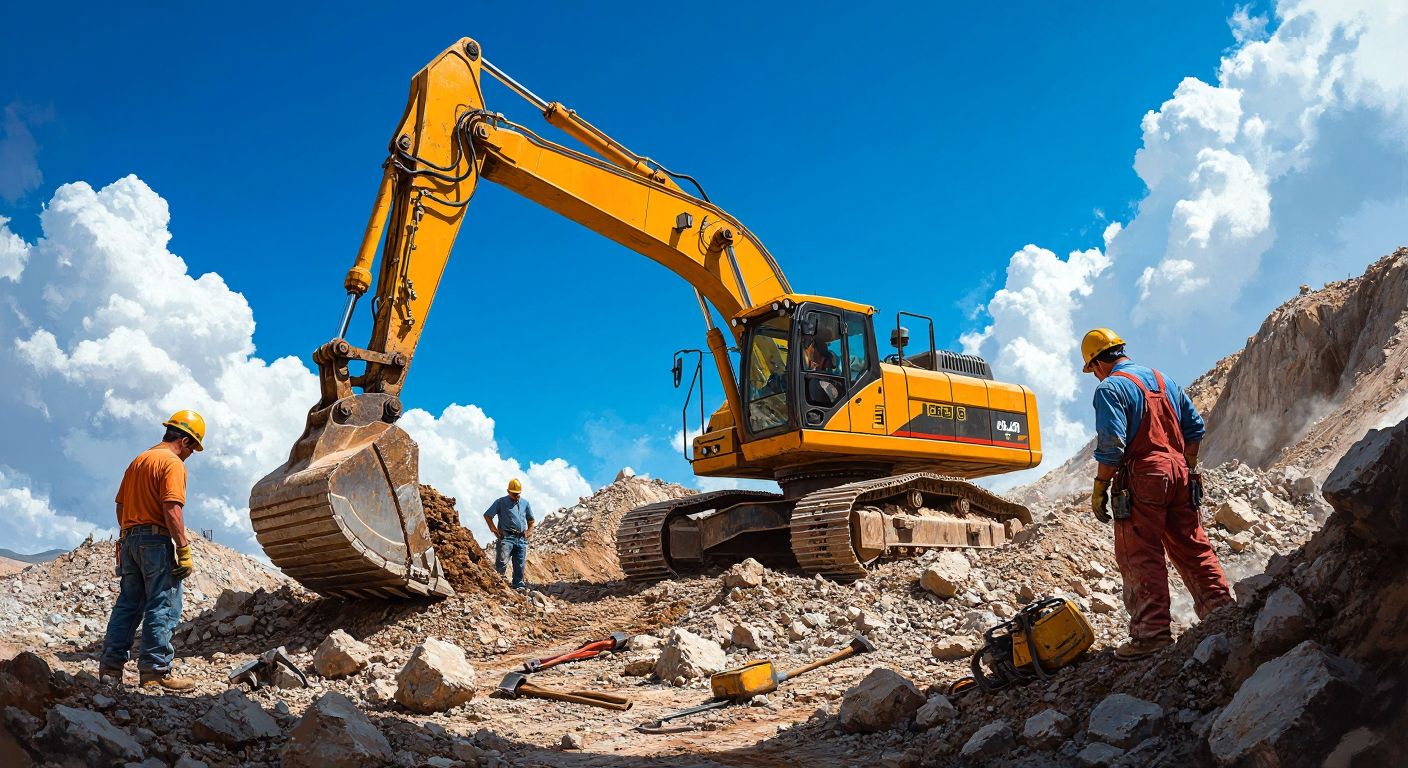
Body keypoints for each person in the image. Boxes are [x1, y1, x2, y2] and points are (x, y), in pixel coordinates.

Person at [1081, 329, 1234, 660]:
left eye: (1091, 369)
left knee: (1139, 553)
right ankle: (1222, 612)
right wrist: (1187, 468)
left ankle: (1151, 635)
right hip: (1180, 472)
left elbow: (1112, 445)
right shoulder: (1163, 380)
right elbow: (1195, 430)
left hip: (1142, 475)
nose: (1094, 375)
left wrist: (1100, 486)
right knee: (1192, 545)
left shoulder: (1110, 389)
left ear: (1097, 363)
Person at [100, 410, 205, 690]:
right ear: (185, 441)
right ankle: (155, 671)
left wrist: (128, 534)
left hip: (130, 540)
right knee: (163, 603)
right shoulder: (172, 463)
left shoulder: (139, 460)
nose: (190, 455)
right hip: (155, 542)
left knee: (128, 605)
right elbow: (171, 508)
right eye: (192, 448)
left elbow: (121, 505)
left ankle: (110, 668)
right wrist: (182, 548)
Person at [483, 478, 535, 590]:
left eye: (518, 493)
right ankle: (498, 584)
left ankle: (518, 585)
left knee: (520, 564)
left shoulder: (525, 503)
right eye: (514, 493)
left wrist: (529, 531)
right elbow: (488, 515)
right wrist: (494, 529)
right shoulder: (500, 502)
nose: (516, 496)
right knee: (502, 562)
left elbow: (531, 520)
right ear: (508, 491)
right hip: (506, 537)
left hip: (521, 538)